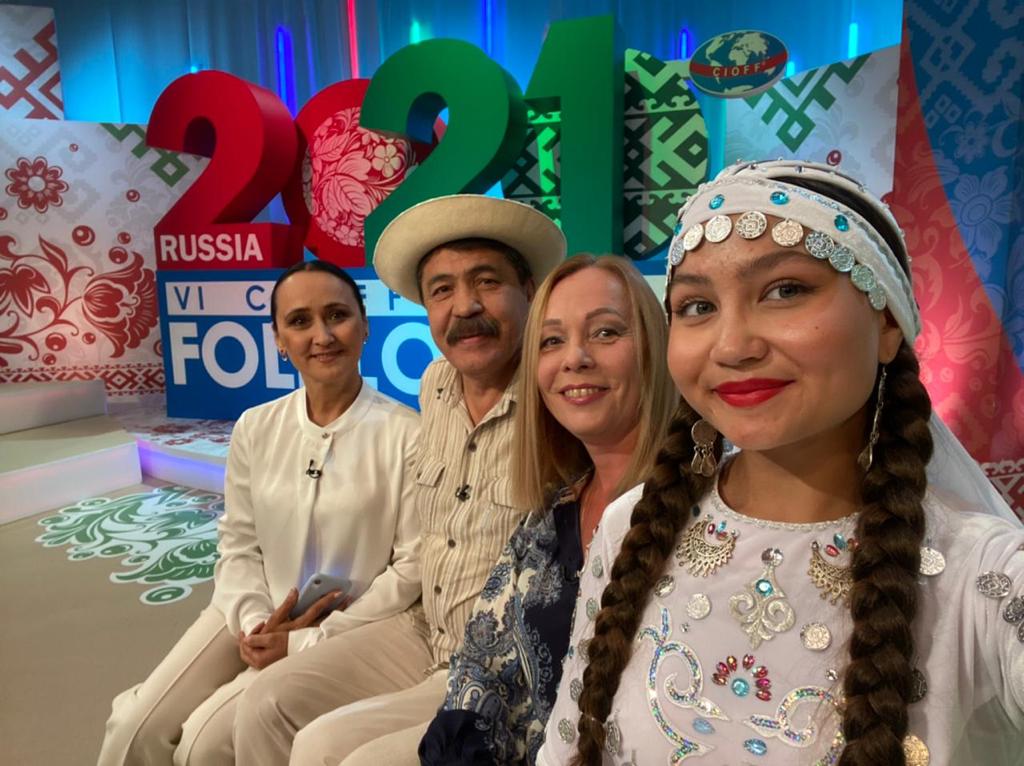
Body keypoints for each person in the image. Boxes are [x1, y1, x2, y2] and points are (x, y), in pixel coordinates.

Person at [538, 160, 1024, 766]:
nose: (732, 346)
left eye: (785, 290)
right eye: (697, 306)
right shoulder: (630, 527)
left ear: (887, 323)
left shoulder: (984, 576)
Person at [232, 194, 566, 765]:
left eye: (486, 282)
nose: (465, 306)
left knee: (324, 751)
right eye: (441, 290)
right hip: (420, 629)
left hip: (502, 660)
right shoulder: (436, 386)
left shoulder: (556, 399)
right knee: (265, 702)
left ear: (528, 291)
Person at [97, 260, 421, 766]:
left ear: (365, 326)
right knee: (135, 728)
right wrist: (254, 623)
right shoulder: (256, 426)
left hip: (345, 627)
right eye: (300, 321)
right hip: (247, 608)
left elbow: (410, 569)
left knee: (203, 745)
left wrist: (308, 638)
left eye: (337, 315)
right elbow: (238, 544)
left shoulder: (408, 433)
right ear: (278, 340)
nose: (322, 336)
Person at [418, 254, 677, 764]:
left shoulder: (708, 512)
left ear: (655, 346)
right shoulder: (551, 515)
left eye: (605, 333)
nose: (574, 358)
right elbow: (482, 663)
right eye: (552, 341)